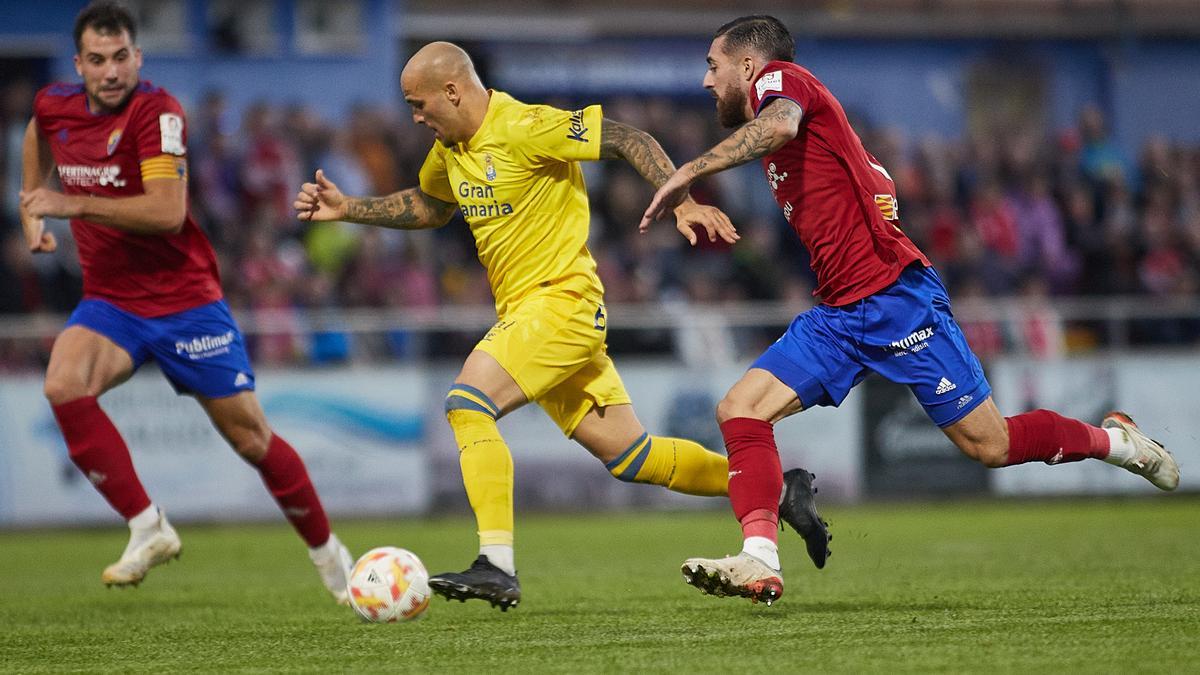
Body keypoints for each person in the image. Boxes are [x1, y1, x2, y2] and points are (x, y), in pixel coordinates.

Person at [642, 15, 1180, 606]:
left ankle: (1117, 442)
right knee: (739, 408)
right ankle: (760, 560)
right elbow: (874, 182)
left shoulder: (780, 80)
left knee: (991, 446)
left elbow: (780, 123)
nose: (705, 81)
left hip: (895, 300)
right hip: (841, 314)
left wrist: (690, 170)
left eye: (712, 66)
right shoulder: (817, 125)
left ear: (747, 65)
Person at [294, 41, 831, 611]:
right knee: (634, 457)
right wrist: (349, 207)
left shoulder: (525, 126)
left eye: (419, 104)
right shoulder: (448, 150)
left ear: (453, 91)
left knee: (466, 404)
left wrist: (680, 201)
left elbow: (630, 139)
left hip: (559, 305)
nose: (415, 117)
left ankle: (495, 564)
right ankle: (777, 489)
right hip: (535, 318)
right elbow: (432, 205)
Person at [18, 1, 352, 602]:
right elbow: (38, 131)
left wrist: (70, 205)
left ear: (137, 57)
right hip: (112, 301)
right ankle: (148, 526)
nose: (111, 71)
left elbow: (167, 213)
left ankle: (331, 557)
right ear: (79, 65)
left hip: (185, 302)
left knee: (252, 439)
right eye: (98, 60)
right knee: (63, 385)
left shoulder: (158, 111)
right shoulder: (55, 103)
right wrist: (29, 201)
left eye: (121, 57)